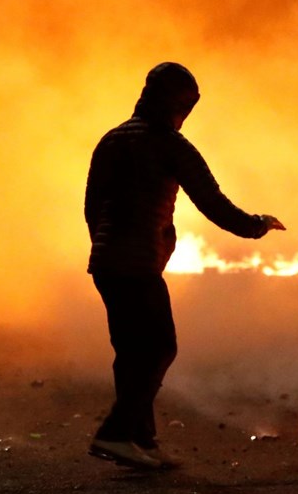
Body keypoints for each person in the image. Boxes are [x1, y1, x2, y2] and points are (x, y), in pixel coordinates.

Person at [84, 62, 285, 470]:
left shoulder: (111, 140)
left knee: (131, 352)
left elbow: (91, 206)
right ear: (179, 103)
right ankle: (116, 434)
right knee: (159, 347)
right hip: (137, 265)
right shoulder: (169, 144)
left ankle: (140, 441)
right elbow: (211, 202)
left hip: (107, 263)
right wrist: (257, 226)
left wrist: (106, 247)